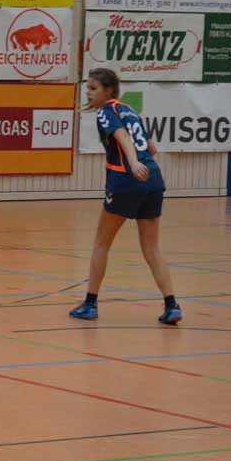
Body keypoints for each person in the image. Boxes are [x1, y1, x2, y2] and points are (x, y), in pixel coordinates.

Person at [69, 69, 182, 325]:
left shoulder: (106, 111)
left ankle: (90, 304)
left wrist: (132, 163)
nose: (88, 93)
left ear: (108, 91)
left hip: (126, 179)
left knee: (101, 244)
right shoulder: (129, 110)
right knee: (152, 248)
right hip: (153, 180)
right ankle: (172, 305)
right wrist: (142, 163)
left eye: (93, 88)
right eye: (87, 88)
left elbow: (121, 137)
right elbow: (151, 147)